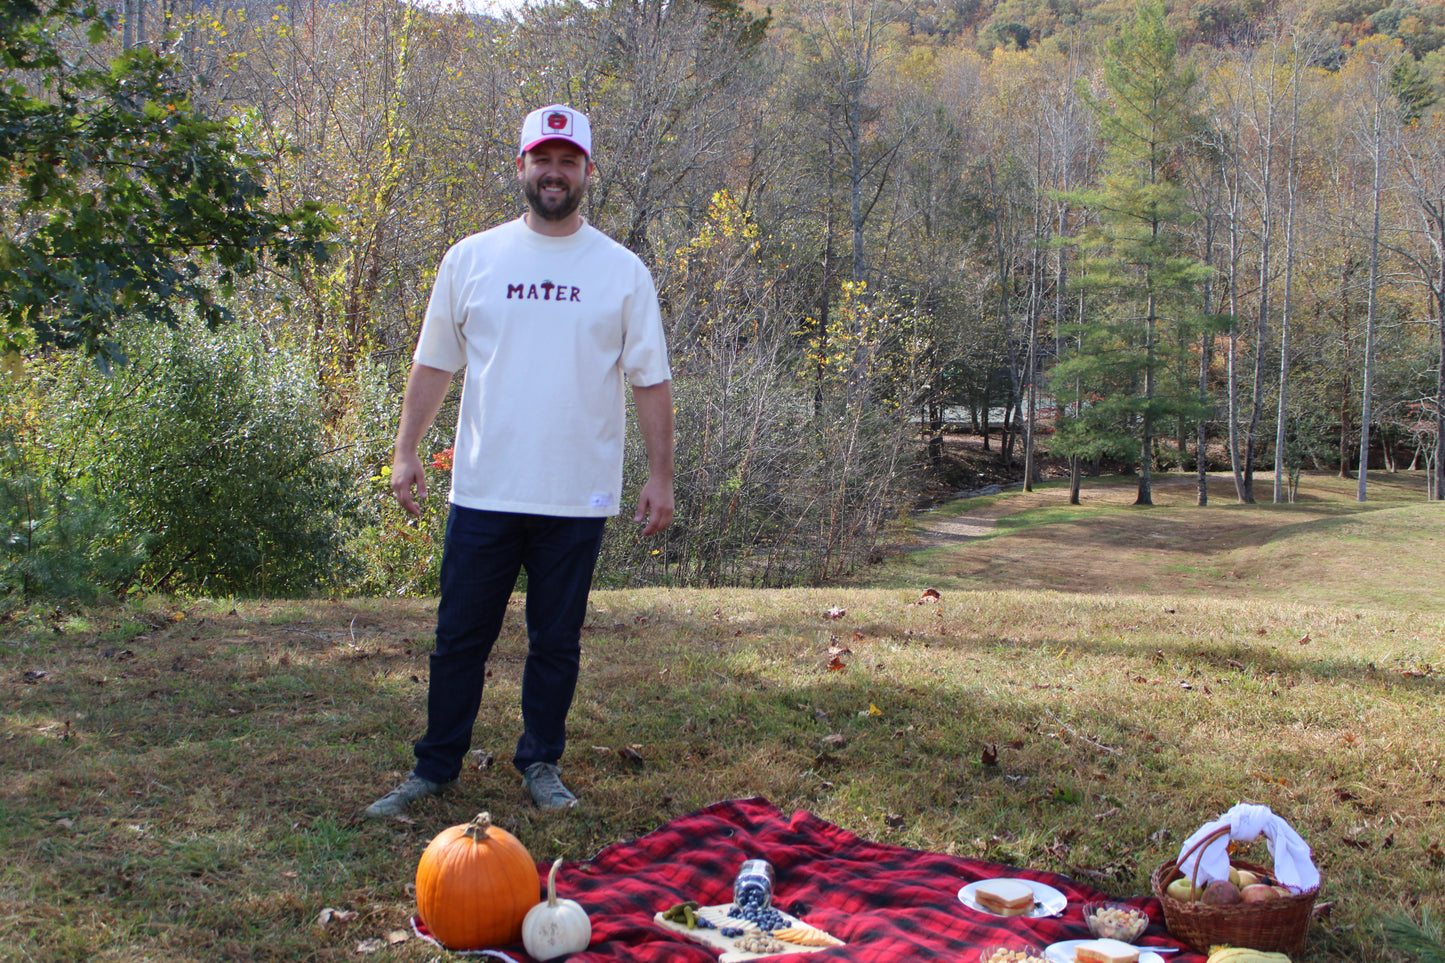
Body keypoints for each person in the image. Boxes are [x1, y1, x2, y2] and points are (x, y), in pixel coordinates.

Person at [365, 104, 674, 816]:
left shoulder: (620, 271)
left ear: (587, 173)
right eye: (544, 158)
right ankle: (434, 767)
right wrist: (406, 448)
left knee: (555, 642)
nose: (555, 172)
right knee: (457, 639)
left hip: (575, 495)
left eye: (569, 161)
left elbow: (650, 378)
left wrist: (660, 475)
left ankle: (540, 762)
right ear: (522, 168)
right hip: (483, 490)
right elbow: (434, 362)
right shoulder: (471, 258)